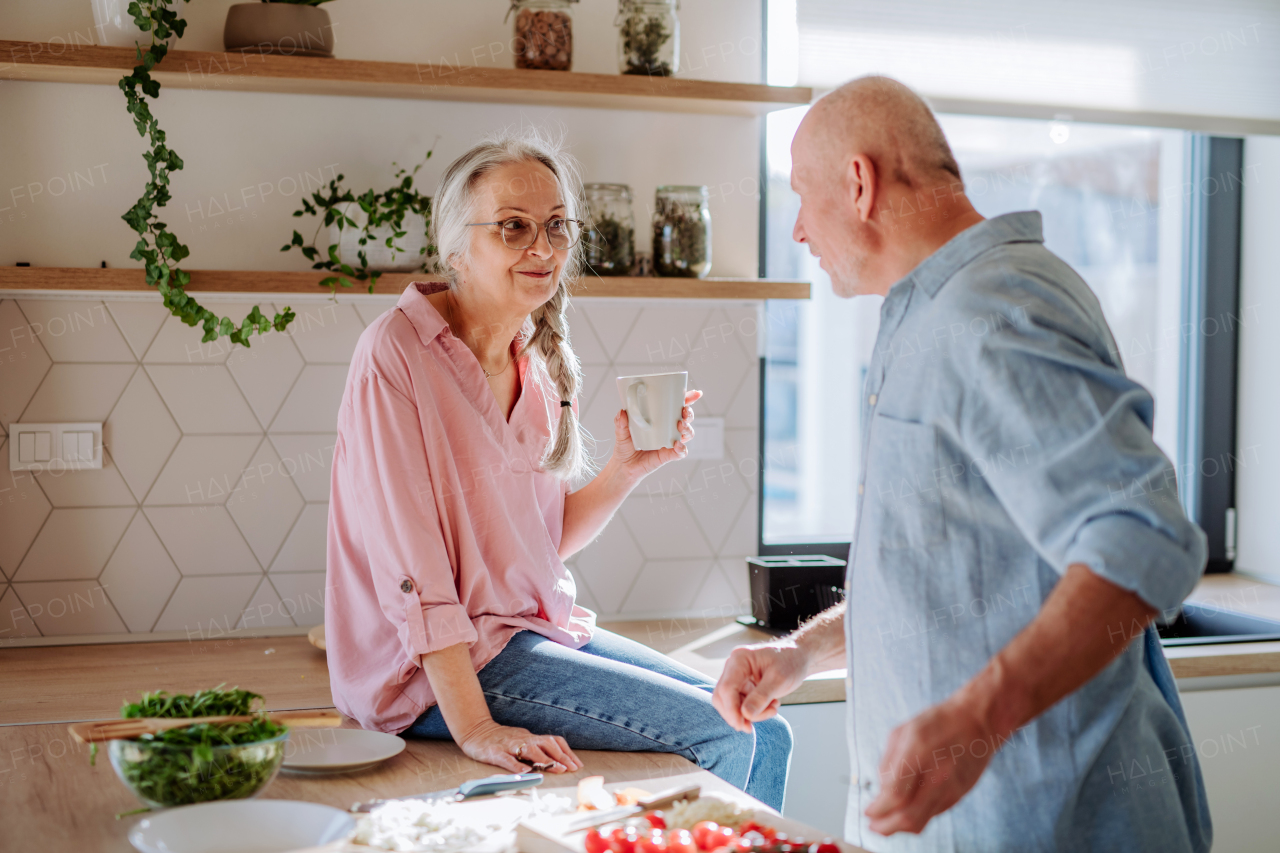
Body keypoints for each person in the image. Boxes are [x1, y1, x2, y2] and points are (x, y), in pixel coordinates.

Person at [711, 76, 1212, 850]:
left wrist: (979, 716)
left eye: (802, 198)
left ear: (859, 182)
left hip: (1048, 825)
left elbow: (1144, 538)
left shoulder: (996, 309)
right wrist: (801, 651)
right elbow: (958, 575)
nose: (801, 231)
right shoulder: (925, 315)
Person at [326, 128, 792, 810]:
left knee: (765, 726)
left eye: (555, 227)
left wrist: (627, 467)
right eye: (513, 228)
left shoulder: (534, 361)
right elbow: (414, 575)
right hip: (426, 677)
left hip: (520, 636)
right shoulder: (395, 354)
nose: (542, 248)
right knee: (723, 731)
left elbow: (536, 549)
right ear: (457, 246)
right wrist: (476, 727)